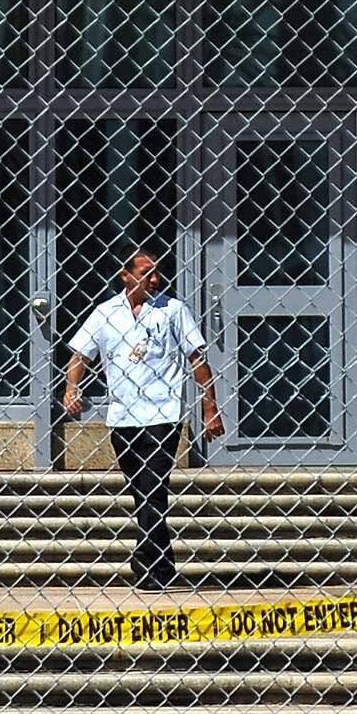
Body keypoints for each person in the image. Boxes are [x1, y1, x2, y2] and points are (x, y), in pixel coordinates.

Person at [63, 249, 224, 593]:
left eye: (157, 273)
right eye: (146, 272)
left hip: (163, 415)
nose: (154, 279)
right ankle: (163, 564)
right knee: (143, 493)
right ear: (125, 275)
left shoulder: (173, 310)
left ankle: (143, 559)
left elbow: (197, 358)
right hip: (122, 417)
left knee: (153, 487)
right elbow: (80, 355)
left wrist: (210, 407)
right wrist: (71, 388)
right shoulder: (105, 314)